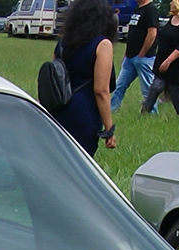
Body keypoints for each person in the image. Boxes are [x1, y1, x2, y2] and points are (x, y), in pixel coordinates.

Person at [49, 0, 117, 156]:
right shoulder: (102, 44)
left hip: (57, 108)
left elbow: (53, 76)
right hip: (84, 113)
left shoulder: (62, 43)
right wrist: (109, 128)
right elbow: (101, 90)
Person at [140, 0, 179, 115]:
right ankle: (143, 114)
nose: (170, 3)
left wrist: (168, 61)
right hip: (163, 61)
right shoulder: (172, 19)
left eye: (172, 1)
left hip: (178, 65)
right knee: (155, 87)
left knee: (176, 94)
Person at [111, 0, 158, 114]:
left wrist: (142, 53)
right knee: (119, 86)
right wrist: (126, 53)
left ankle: (151, 113)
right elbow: (133, 33)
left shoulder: (150, 9)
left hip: (144, 58)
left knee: (147, 89)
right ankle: (110, 110)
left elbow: (152, 33)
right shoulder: (137, 9)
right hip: (130, 57)